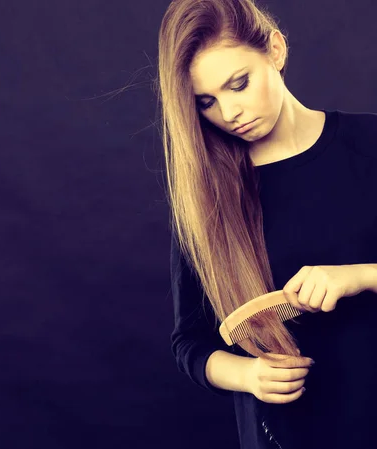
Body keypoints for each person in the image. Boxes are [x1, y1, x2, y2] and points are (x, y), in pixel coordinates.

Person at [156, 0, 377, 448]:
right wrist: (247, 374)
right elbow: (190, 343)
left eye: (239, 84)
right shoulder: (206, 197)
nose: (229, 112)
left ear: (275, 50)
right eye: (206, 102)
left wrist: (361, 277)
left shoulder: (369, 144)